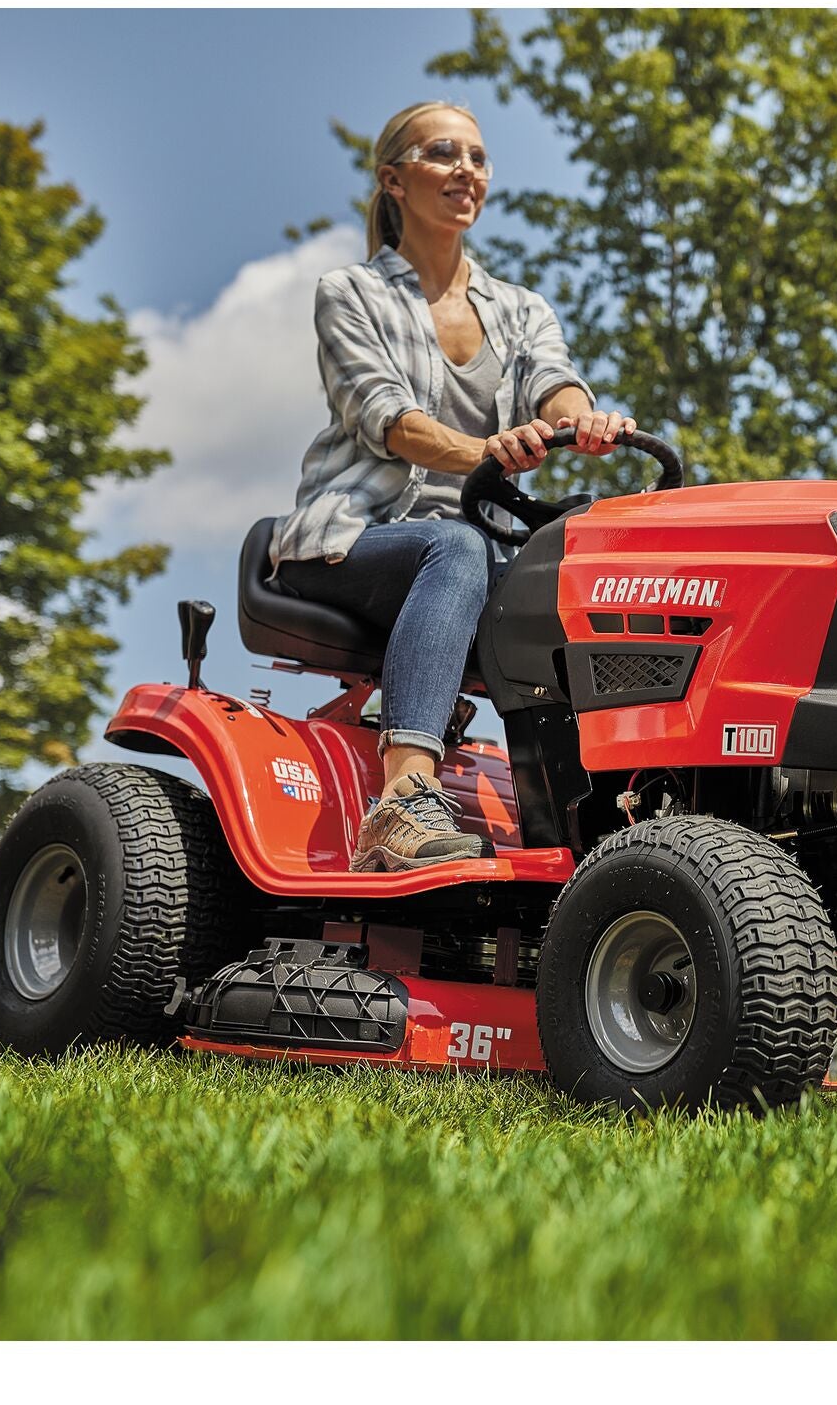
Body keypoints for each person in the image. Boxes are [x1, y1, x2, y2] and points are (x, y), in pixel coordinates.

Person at [270, 100, 634, 870]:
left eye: (478, 157)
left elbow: (557, 386)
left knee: (595, 575)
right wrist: (487, 451)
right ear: (394, 179)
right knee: (459, 545)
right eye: (445, 154)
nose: (467, 171)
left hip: (475, 549)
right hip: (354, 539)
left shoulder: (520, 308)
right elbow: (390, 421)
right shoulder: (351, 295)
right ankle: (401, 801)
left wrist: (586, 423)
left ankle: (606, 816)